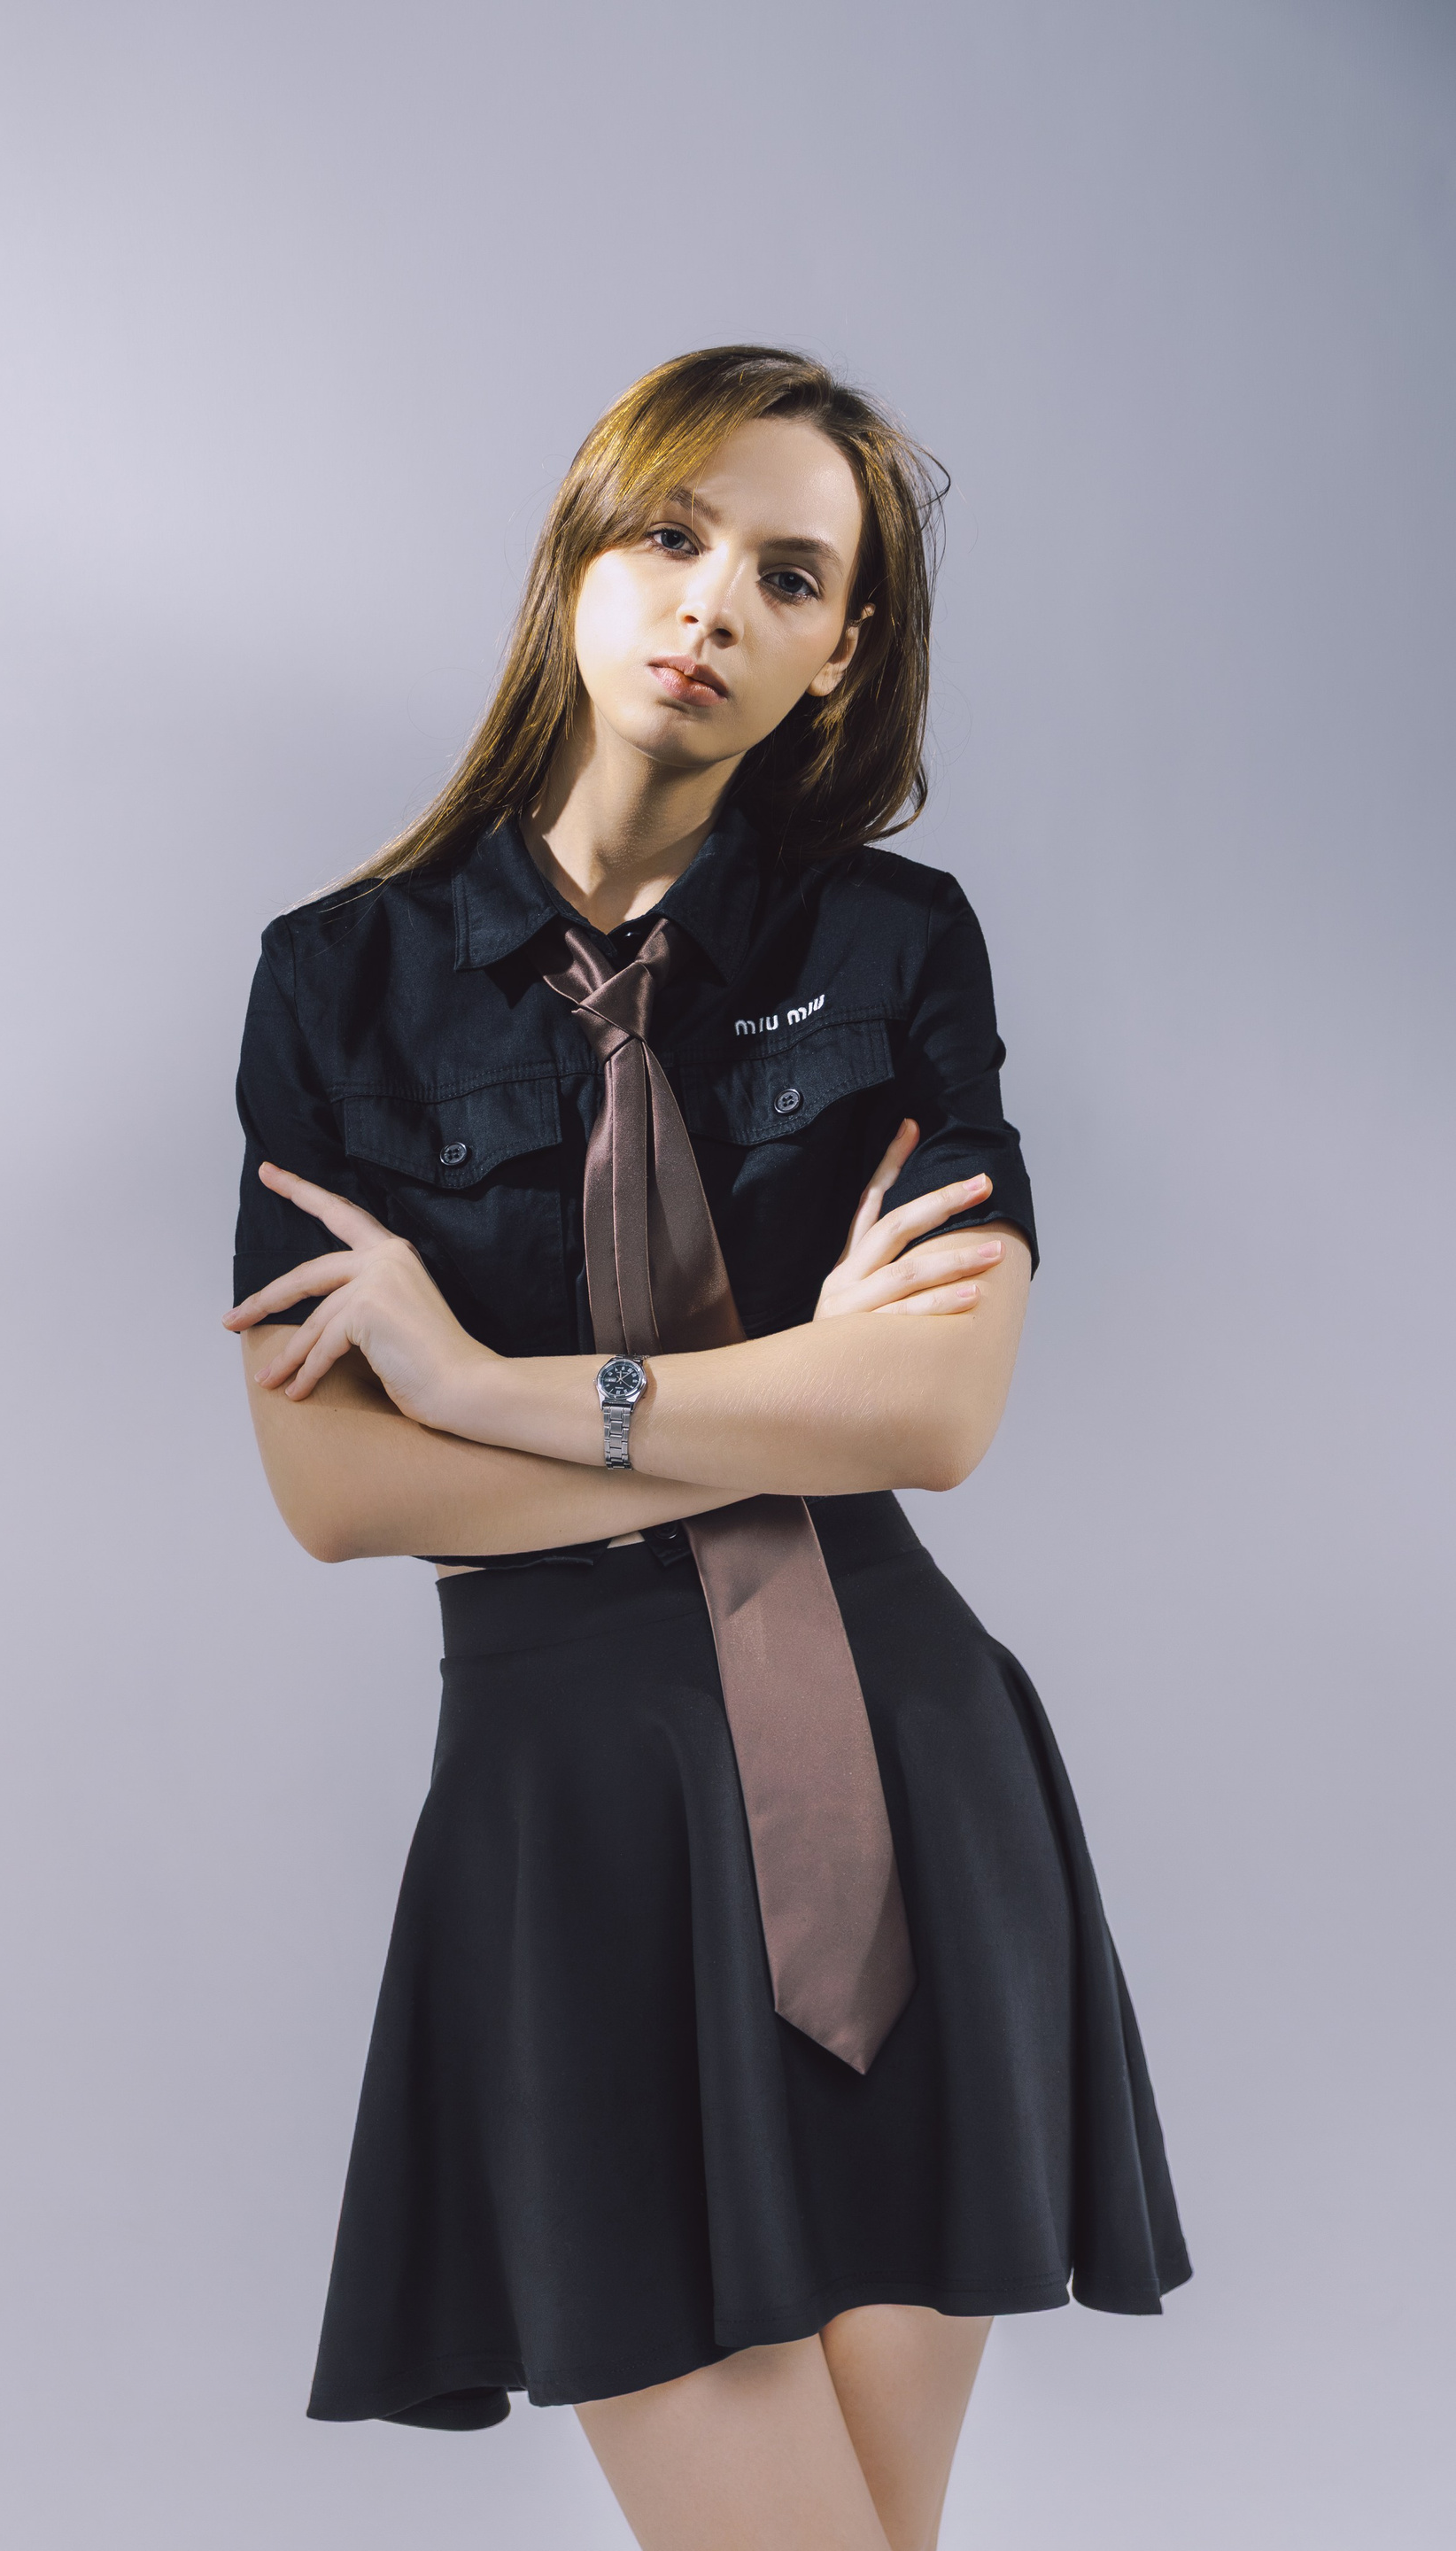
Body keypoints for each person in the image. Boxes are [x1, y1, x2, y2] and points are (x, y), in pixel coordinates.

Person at [225, 345, 1189, 2551]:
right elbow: (338, 1494)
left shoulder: (896, 946)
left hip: (899, 1776)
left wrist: (488, 1390)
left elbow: (936, 1416)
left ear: (840, 652)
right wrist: (787, 1400)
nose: (713, 602)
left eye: (788, 574)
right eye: (672, 535)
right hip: (575, 1817)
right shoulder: (336, 985)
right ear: (578, 556)